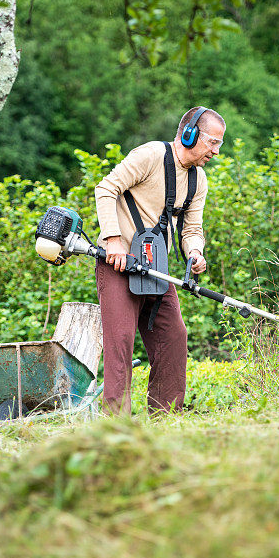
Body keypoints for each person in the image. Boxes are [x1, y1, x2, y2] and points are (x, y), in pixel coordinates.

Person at [94, 106, 225, 416]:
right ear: (190, 134)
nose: (216, 152)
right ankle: (117, 427)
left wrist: (195, 251)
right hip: (119, 264)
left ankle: (166, 419)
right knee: (120, 344)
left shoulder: (198, 180)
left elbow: (192, 229)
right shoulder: (151, 155)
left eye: (219, 144)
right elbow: (106, 188)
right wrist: (113, 239)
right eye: (213, 143)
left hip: (157, 269)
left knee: (174, 337)